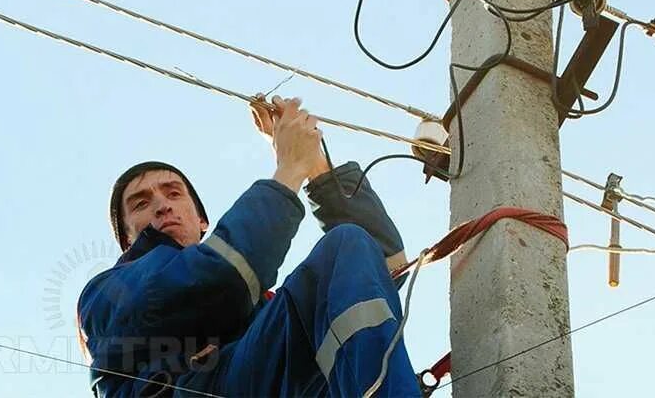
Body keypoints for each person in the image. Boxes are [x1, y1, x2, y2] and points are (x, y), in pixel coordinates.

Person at [76, 96, 421, 397]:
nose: (162, 205)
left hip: (255, 381)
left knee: (349, 246)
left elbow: (384, 264)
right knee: (338, 252)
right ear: (126, 240)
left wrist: (314, 165)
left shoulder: (258, 311)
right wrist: (290, 168)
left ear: (202, 222)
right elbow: (216, 279)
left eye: (173, 193)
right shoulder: (106, 296)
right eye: (140, 203)